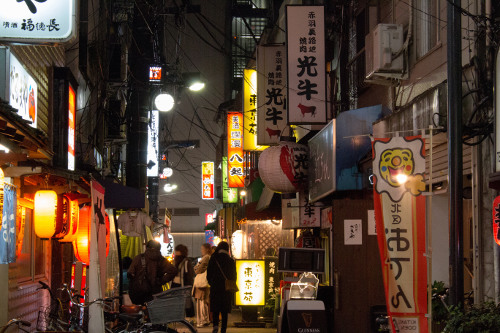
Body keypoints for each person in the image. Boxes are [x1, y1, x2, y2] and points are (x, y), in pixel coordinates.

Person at [127, 240, 177, 305]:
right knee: (154, 312)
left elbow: (130, 273)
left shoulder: (138, 258)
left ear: (147, 247)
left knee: (140, 311)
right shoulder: (161, 260)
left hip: (138, 293)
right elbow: (173, 271)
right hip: (155, 292)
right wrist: (160, 281)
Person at [207, 241, 237, 333]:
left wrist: (212, 283)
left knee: (215, 308)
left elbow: (208, 274)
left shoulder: (213, 258)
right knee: (224, 310)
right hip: (226, 288)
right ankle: (223, 329)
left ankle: (215, 326)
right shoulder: (230, 260)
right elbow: (234, 275)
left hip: (215, 287)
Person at [172, 244, 196, 318]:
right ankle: (181, 316)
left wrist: (188, 286)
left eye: (177, 251)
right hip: (176, 284)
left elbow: (189, 274)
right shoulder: (176, 261)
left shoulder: (186, 262)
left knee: (186, 301)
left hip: (183, 285)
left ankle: (189, 316)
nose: (176, 252)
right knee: (179, 302)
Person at [193, 243, 211, 327]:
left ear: (207, 249)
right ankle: (204, 320)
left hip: (202, 283)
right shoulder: (208, 257)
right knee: (203, 301)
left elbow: (198, 269)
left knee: (202, 301)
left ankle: (203, 320)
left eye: (202, 249)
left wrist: (196, 268)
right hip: (204, 282)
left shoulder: (206, 257)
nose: (201, 251)